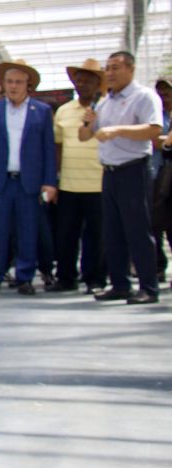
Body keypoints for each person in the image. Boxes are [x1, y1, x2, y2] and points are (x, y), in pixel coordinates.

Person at [80, 51, 163, 304]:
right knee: (113, 231)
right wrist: (87, 123)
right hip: (110, 172)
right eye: (107, 68)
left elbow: (154, 129)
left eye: (115, 67)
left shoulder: (144, 96)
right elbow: (85, 136)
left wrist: (118, 131)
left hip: (133, 170)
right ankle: (119, 285)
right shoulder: (105, 102)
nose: (110, 73)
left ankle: (148, 287)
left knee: (138, 230)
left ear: (131, 69)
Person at [0, 59, 58, 296]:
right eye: (9, 82)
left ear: (27, 84)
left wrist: (49, 181)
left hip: (29, 182)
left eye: (18, 82)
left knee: (28, 231)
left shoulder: (41, 111)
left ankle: (25, 277)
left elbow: (48, 150)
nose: (13, 86)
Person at [50, 59, 106, 294]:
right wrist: (56, 177)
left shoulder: (106, 108)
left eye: (88, 81)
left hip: (99, 183)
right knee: (66, 234)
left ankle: (95, 279)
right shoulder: (64, 111)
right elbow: (57, 146)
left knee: (96, 236)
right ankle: (66, 278)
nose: (82, 84)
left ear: (98, 84)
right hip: (69, 184)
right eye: (79, 80)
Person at [151, 76, 172, 281]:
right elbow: (152, 141)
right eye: (160, 93)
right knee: (155, 223)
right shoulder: (156, 115)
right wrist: (167, 141)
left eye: (167, 92)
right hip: (157, 175)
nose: (164, 97)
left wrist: (163, 142)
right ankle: (158, 266)